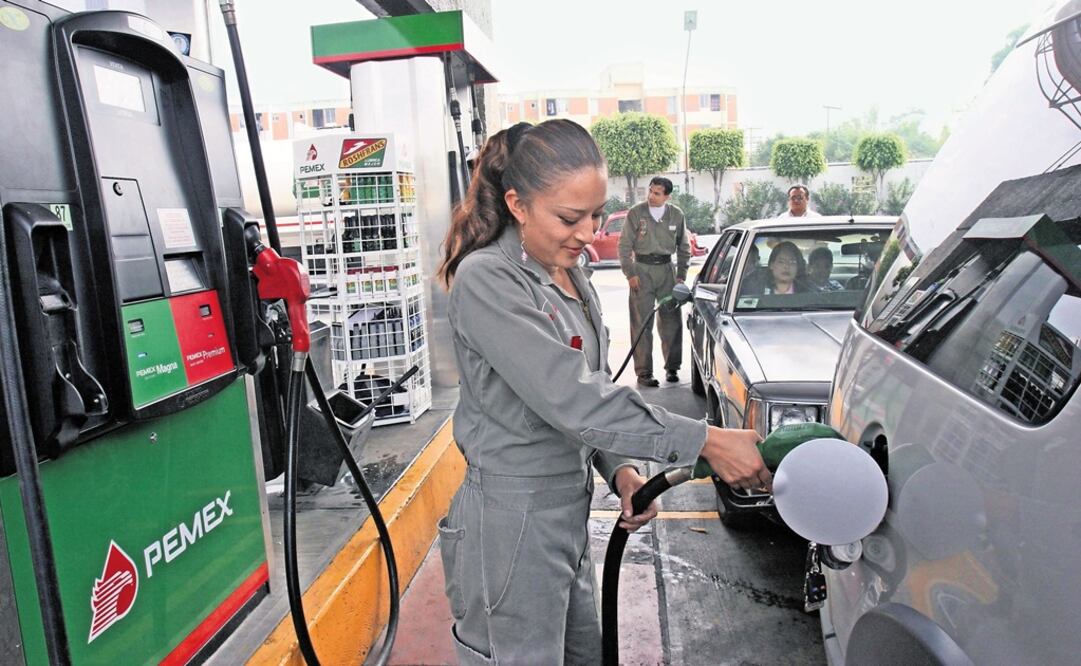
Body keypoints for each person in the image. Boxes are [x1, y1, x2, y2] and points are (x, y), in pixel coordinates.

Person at [437, 119, 770, 665]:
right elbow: (571, 398)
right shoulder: (488, 280)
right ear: (518, 204)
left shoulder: (571, 272)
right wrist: (707, 441)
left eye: (595, 214)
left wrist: (620, 470)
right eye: (569, 218)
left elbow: (589, 387)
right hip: (510, 520)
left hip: (567, 512)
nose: (588, 233)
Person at [617, 176, 690, 387]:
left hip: (667, 271)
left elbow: (684, 247)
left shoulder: (676, 215)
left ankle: (672, 367)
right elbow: (623, 246)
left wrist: (681, 276)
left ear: (667, 196)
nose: (651, 196)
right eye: (650, 191)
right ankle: (644, 373)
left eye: (657, 193)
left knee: (671, 321)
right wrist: (630, 273)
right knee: (641, 323)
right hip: (642, 270)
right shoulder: (636, 213)